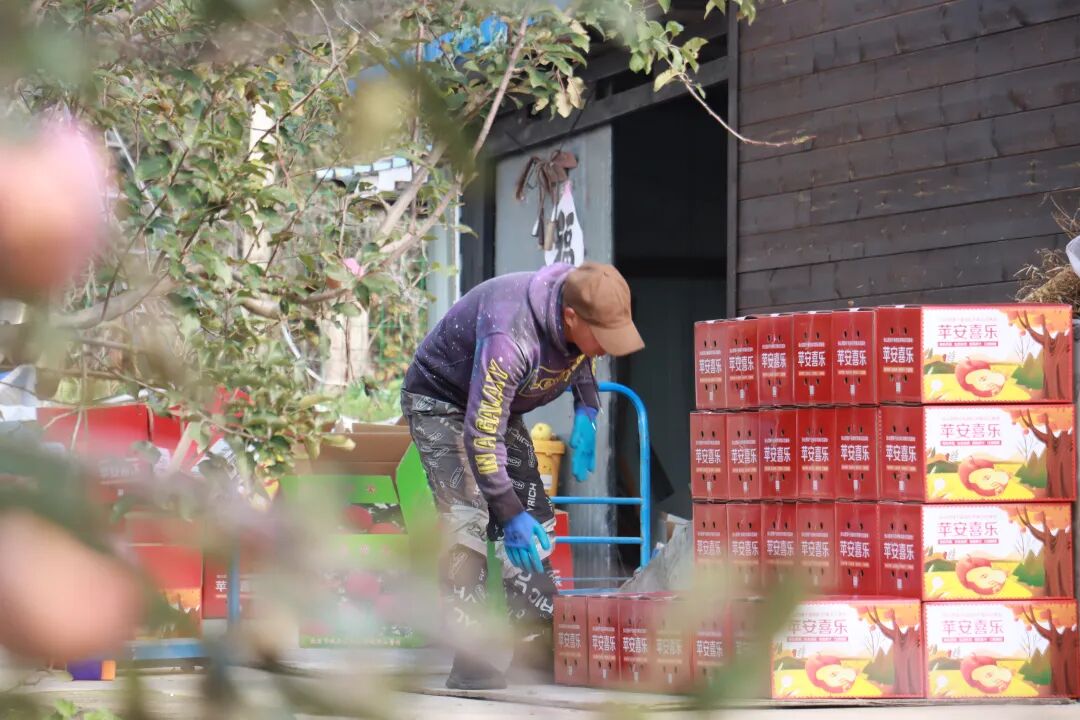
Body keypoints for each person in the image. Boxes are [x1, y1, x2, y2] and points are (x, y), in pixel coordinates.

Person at [401, 261, 643, 689]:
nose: (605, 349)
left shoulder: (575, 293)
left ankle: (535, 645)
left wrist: (587, 407)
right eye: (602, 337)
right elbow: (481, 434)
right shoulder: (509, 338)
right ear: (570, 317)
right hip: (441, 401)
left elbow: (580, 354)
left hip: (495, 410)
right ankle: (470, 658)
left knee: (537, 514)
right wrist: (506, 513)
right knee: (468, 521)